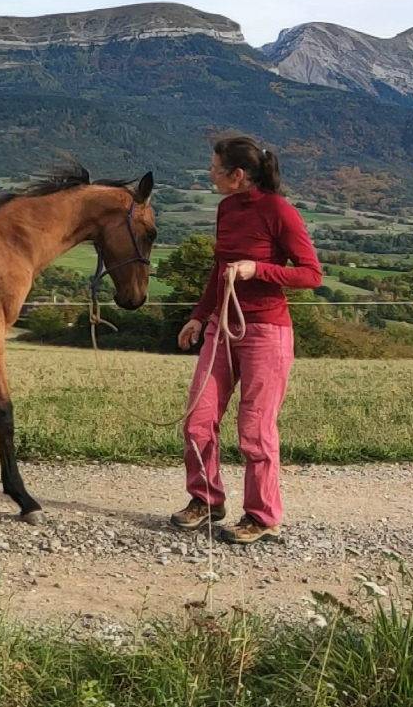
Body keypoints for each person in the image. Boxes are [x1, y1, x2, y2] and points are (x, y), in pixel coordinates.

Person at [170, 136, 322, 544]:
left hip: (266, 332)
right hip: (221, 327)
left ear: (237, 175)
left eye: (215, 168)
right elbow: (218, 269)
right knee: (198, 420)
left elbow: (311, 274)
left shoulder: (279, 211)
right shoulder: (226, 209)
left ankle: (261, 515)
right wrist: (198, 316)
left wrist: (259, 269)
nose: (210, 174)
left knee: (255, 428)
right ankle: (206, 499)